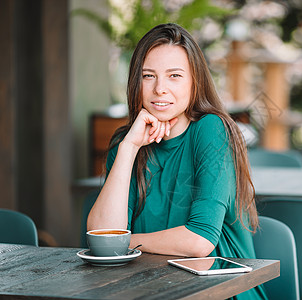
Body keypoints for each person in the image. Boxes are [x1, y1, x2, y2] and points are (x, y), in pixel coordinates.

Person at [87, 23, 267, 299]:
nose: (160, 88)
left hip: (221, 290)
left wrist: (124, 244)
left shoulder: (210, 129)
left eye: (174, 76)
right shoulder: (127, 142)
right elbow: (101, 233)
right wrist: (128, 148)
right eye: (149, 76)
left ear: (195, 81)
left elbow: (199, 241)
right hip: (150, 288)